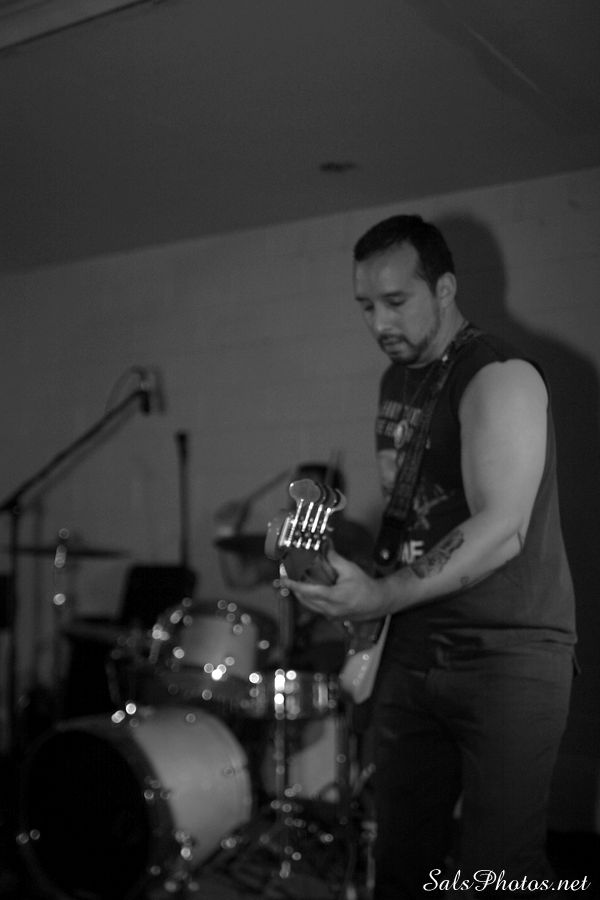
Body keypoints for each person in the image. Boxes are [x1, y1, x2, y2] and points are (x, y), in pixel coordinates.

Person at [279, 215, 576, 898]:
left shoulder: (499, 375)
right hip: (413, 646)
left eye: (395, 301)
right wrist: (341, 572)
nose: (379, 322)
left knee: (499, 871)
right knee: (403, 861)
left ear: (444, 289)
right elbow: (416, 518)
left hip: (507, 653)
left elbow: (502, 528)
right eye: (365, 305)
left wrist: (382, 594)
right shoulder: (398, 381)